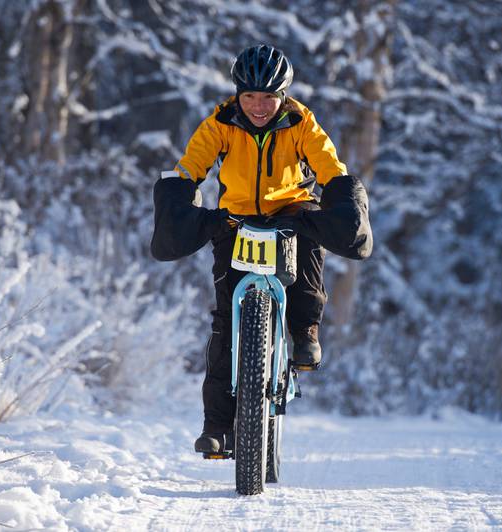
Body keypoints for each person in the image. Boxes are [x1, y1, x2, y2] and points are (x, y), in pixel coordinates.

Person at [150, 44, 372, 455]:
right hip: (236, 220)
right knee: (224, 323)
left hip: (290, 211)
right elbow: (191, 164)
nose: (258, 105)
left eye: (268, 96)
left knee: (308, 241)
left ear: (283, 94)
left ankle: (305, 330)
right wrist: (179, 191)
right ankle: (217, 427)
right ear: (237, 92)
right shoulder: (220, 121)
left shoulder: (300, 121)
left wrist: (341, 193)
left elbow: (329, 166)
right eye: (249, 95)